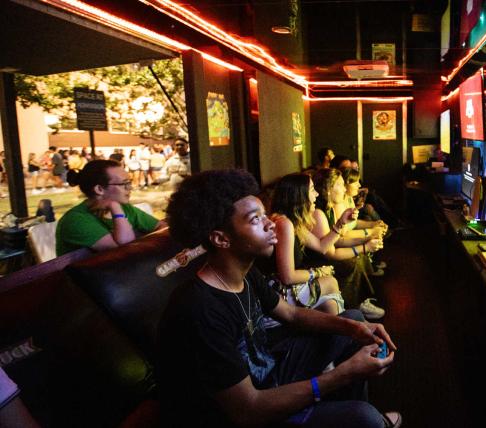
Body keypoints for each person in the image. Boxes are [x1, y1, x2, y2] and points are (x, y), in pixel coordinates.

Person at [158, 169, 400, 428]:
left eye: (265, 214)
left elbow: (291, 313)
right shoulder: (198, 309)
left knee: (352, 319)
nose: (271, 223)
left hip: (269, 371)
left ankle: (344, 410)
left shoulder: (246, 274)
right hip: (247, 410)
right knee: (366, 419)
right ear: (221, 238)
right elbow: (247, 411)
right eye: (255, 219)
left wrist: (354, 328)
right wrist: (344, 374)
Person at [268, 173, 378, 315]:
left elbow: (322, 246)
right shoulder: (284, 223)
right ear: (299, 195)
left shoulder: (294, 222)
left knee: (331, 304)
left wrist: (341, 223)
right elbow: (287, 277)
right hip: (278, 292)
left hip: (288, 286)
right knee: (331, 282)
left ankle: (346, 325)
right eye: (312, 189)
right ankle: (351, 323)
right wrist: (319, 272)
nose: (317, 194)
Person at [55, 159, 166, 256]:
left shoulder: (127, 208)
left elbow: (162, 227)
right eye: (124, 184)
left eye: (129, 182)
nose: (130, 188)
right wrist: (115, 207)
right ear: (99, 189)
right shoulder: (76, 220)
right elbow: (124, 251)